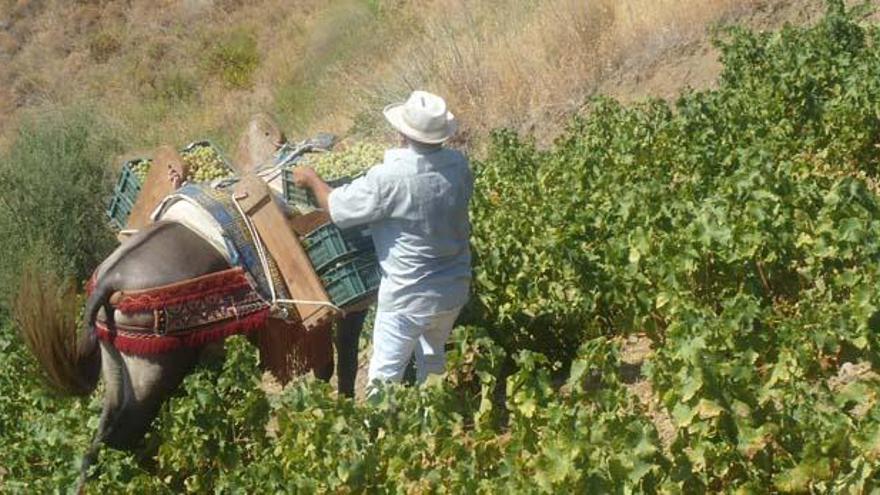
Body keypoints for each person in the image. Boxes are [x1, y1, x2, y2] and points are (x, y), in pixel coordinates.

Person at [292, 90, 473, 394]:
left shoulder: (390, 177)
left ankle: (378, 437)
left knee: (383, 379)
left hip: (407, 298)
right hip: (452, 288)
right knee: (432, 361)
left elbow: (336, 207)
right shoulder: (458, 165)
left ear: (402, 133)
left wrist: (311, 179)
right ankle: (433, 430)